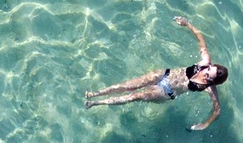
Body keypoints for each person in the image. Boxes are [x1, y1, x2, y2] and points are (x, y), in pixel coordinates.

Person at [83, 14, 229, 130]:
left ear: (212, 81)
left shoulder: (209, 88)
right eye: (210, 68)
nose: (207, 71)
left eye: (210, 75)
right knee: (128, 85)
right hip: (163, 74)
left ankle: (97, 103)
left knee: (134, 96)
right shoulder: (205, 62)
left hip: (166, 92)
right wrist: (188, 24)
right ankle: (95, 93)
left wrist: (205, 124)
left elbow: (218, 111)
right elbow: (201, 40)